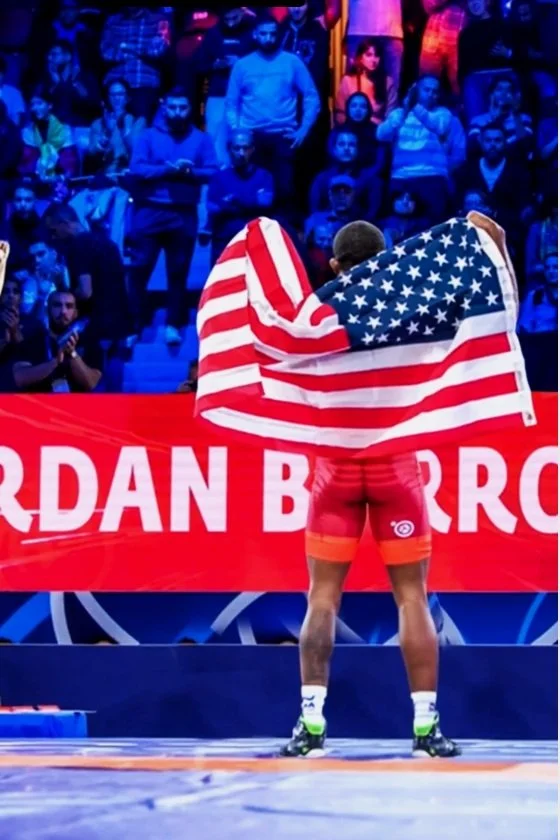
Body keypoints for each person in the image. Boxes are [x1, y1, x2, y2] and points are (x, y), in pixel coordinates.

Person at [281, 220, 460, 759]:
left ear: (335, 265)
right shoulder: (412, 310)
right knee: (412, 597)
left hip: (335, 467)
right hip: (393, 466)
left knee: (321, 598)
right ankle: (426, 728)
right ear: (388, 262)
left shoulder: (312, 314)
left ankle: (310, 724)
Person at [128, 87, 218, 343]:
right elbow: (137, 168)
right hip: (149, 209)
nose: (177, 112)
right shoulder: (147, 136)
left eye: (183, 107)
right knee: (140, 269)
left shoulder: (201, 139)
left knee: (178, 271)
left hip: (183, 212)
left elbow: (212, 171)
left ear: (190, 109)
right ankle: (133, 325)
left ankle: (173, 323)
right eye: (173, 107)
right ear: (164, 107)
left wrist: (190, 172)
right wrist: (167, 170)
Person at [335, 38, 388, 126]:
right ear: (360, 58)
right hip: (351, 129)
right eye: (369, 55)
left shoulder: (387, 82)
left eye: (377, 55)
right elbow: (340, 114)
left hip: (377, 130)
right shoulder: (348, 81)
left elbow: (391, 116)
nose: (373, 60)